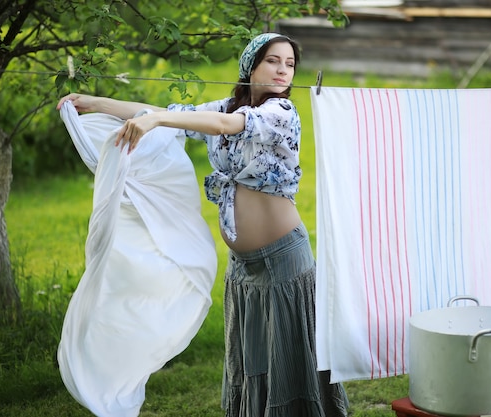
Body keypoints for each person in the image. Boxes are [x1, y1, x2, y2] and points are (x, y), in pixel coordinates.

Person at [57, 33, 349, 416]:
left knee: (291, 367)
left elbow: (224, 125)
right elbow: (162, 111)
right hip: (243, 270)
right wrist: (91, 102)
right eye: (273, 61)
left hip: (283, 260)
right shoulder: (229, 103)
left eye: (289, 64)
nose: (283, 71)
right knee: (254, 365)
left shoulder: (281, 113)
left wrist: (158, 118)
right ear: (251, 67)